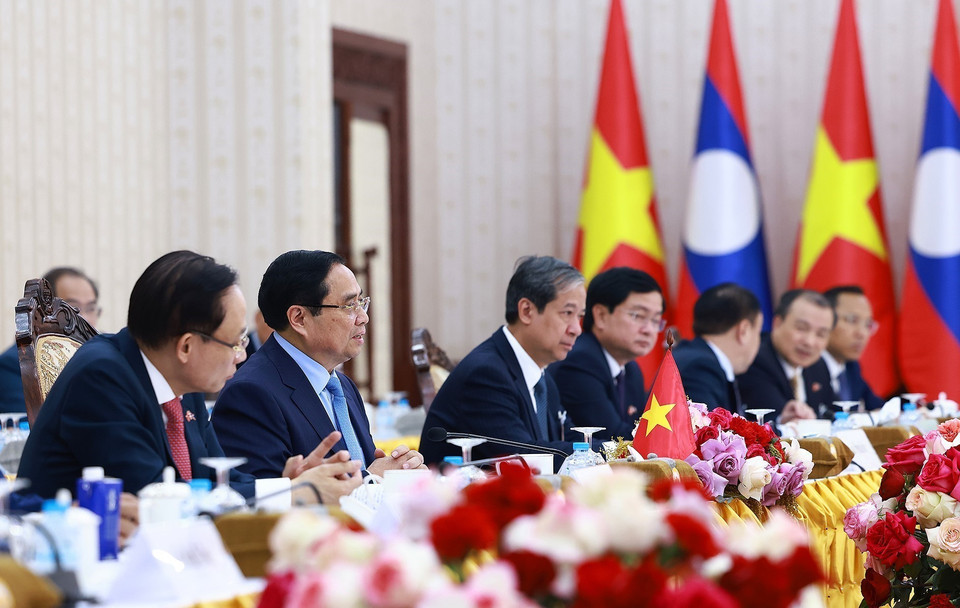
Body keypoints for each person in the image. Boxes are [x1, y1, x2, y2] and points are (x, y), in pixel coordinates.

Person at [18, 251, 361, 506]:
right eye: (235, 343)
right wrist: (291, 495)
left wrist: (290, 486)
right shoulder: (102, 378)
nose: (242, 356)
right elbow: (157, 498)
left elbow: (219, 481)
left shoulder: (184, 382)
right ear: (186, 346)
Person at [212, 250, 424, 478]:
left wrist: (398, 471)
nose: (363, 317)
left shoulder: (343, 386)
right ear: (299, 319)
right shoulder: (250, 395)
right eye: (349, 305)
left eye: (362, 302)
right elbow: (264, 501)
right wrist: (373, 481)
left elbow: (366, 469)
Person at [419, 256, 586, 467]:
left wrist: (622, 448)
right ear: (526, 311)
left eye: (579, 316)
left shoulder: (544, 379)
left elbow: (570, 441)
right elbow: (523, 458)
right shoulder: (485, 375)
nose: (576, 329)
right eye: (567, 313)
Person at [545, 267, 662, 441]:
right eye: (638, 316)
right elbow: (614, 438)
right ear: (600, 315)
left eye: (655, 320)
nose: (649, 330)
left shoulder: (631, 369)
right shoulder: (580, 362)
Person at [0, 267, 101, 413]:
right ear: (46, 310)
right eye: (74, 308)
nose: (84, 318)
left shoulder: (103, 355)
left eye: (90, 308)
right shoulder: (12, 366)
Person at [736, 289, 836, 423]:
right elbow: (773, 418)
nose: (809, 342)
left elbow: (832, 415)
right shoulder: (755, 359)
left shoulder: (818, 366)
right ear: (777, 323)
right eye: (801, 328)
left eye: (821, 334)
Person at [673, 283, 763, 414]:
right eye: (758, 332)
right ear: (743, 331)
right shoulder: (700, 369)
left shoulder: (697, 356)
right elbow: (711, 432)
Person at [820, 285, 884, 411]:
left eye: (868, 324)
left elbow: (879, 408)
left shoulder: (851, 367)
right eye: (852, 320)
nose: (862, 333)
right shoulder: (806, 367)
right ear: (825, 320)